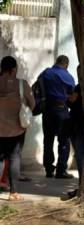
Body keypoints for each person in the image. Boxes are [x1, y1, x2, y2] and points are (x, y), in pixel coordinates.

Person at [0, 56, 35, 201]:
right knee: (14, 158)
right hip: (17, 129)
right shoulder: (22, 84)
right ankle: (13, 192)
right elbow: (32, 104)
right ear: (14, 69)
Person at [41, 55, 75, 179]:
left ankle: (49, 169)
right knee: (64, 141)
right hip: (61, 110)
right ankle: (61, 170)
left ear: (56, 61)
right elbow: (72, 95)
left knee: (48, 140)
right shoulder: (68, 77)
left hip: (47, 110)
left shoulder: (46, 73)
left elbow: (38, 87)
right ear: (66, 64)